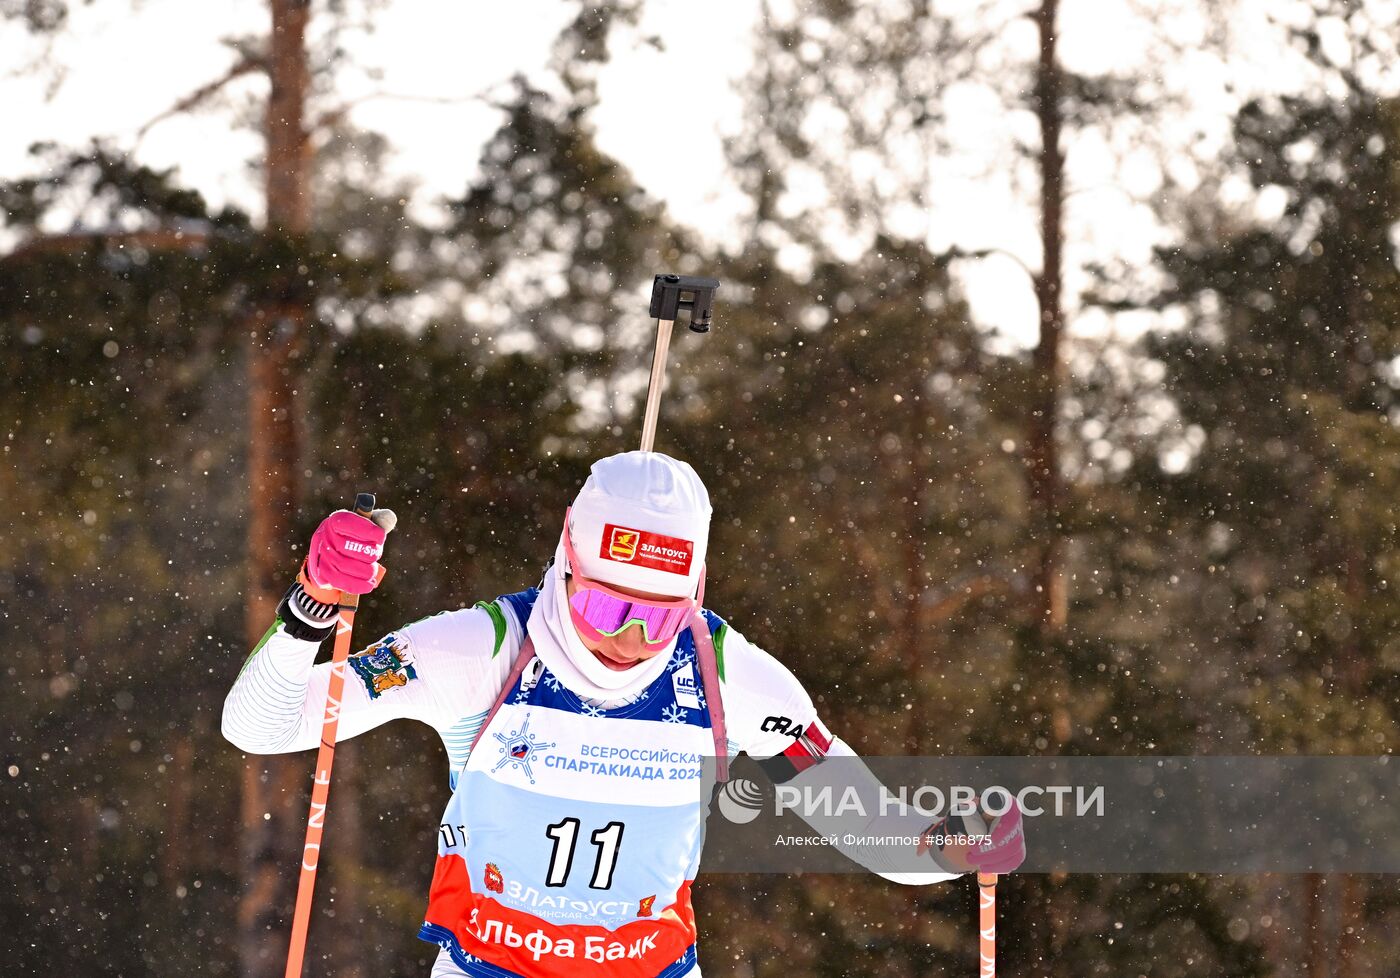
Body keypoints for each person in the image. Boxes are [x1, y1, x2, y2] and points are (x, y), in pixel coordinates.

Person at [223, 451, 1024, 978]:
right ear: (566, 564)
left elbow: (862, 825)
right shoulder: (481, 651)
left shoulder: (728, 678)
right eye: (606, 606)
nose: (628, 640)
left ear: (696, 594)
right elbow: (259, 728)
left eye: (659, 616)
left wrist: (950, 848)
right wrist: (312, 609)